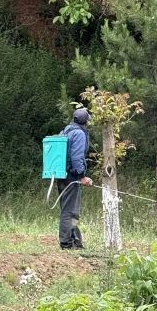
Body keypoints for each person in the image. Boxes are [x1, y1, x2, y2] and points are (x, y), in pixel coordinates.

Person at [58, 107, 92, 250]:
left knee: (67, 208)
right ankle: (66, 244)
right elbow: (77, 157)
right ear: (86, 122)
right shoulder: (79, 134)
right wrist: (82, 176)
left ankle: (76, 242)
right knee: (70, 210)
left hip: (61, 173)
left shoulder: (65, 131)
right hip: (71, 175)